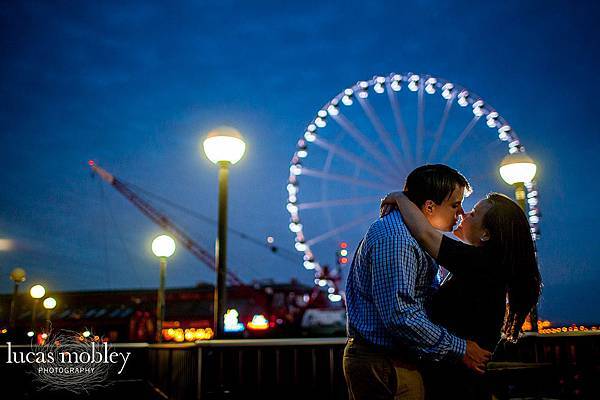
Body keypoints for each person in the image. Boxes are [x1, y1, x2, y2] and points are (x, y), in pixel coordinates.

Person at [343, 165, 491, 400]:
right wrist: (459, 348)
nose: (461, 212)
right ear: (430, 206)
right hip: (388, 364)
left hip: (392, 361)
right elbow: (400, 315)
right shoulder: (397, 239)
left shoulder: (407, 236)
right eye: (455, 204)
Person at [379, 190, 541, 399]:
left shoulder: (480, 263)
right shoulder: (489, 268)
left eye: (473, 214)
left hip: (455, 385)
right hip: (462, 382)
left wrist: (400, 198)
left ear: (485, 234)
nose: (463, 214)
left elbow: (424, 234)